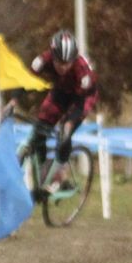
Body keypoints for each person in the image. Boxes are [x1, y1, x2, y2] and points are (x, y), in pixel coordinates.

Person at [23, 30, 98, 187]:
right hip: (61, 91)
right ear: (53, 56)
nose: (63, 67)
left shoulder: (83, 72)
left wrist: (70, 123)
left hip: (82, 97)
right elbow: (25, 80)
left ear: (73, 60)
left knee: (65, 131)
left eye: (67, 64)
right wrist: (14, 101)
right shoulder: (42, 60)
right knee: (40, 129)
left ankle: (60, 173)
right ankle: (43, 169)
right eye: (59, 63)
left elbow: (78, 104)